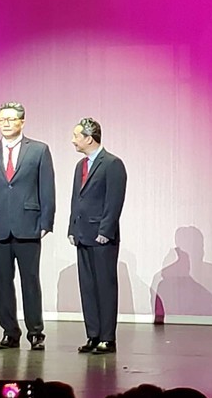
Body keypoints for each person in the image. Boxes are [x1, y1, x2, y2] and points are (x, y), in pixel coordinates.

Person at [0, 102, 56, 351]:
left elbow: (47, 188)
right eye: (2, 120)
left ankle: (36, 332)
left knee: (30, 281)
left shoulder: (39, 150)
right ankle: (10, 332)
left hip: (28, 224)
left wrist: (46, 221)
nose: (6, 123)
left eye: (11, 119)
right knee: (3, 282)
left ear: (22, 121)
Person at [68, 118, 127, 354]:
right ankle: (93, 335)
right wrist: (72, 228)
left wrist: (105, 230)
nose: (73, 140)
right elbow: (76, 199)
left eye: (76, 136)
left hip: (102, 237)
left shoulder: (112, 164)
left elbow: (114, 201)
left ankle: (107, 337)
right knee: (88, 287)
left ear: (89, 138)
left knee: (105, 286)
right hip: (82, 234)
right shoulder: (80, 166)